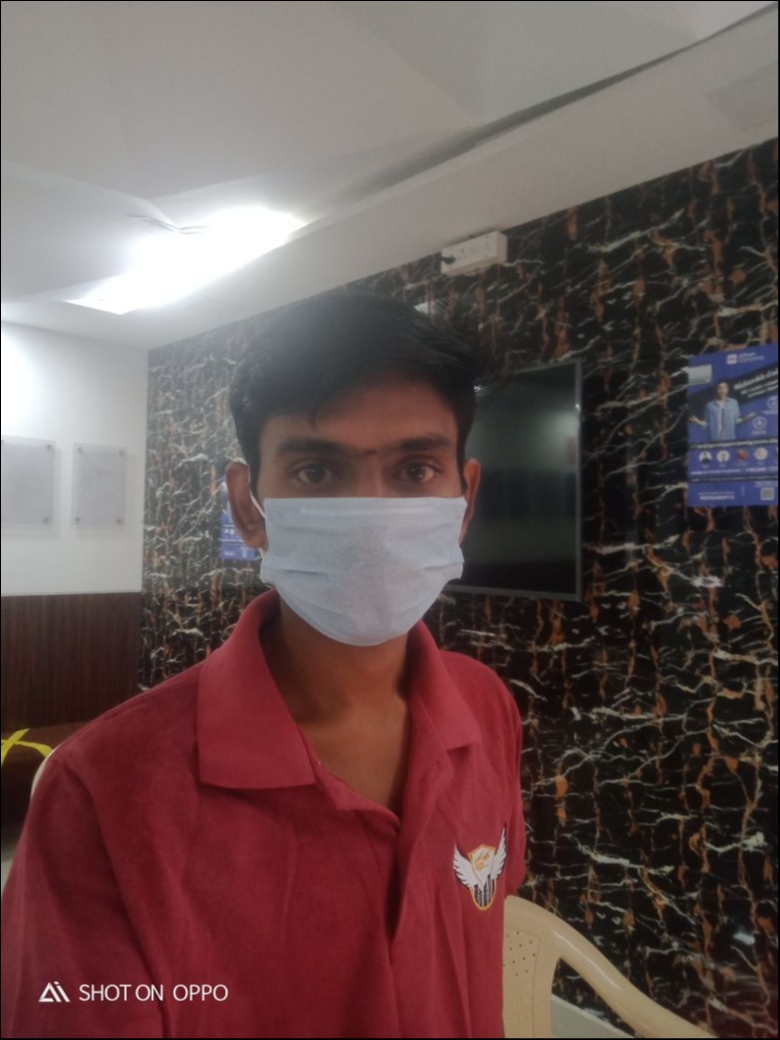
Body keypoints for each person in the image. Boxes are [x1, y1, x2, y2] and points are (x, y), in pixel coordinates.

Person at [1, 291, 527, 1039]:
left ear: (464, 499)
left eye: (415, 470)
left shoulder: (486, 707)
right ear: (248, 507)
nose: (371, 519)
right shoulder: (103, 792)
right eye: (317, 471)